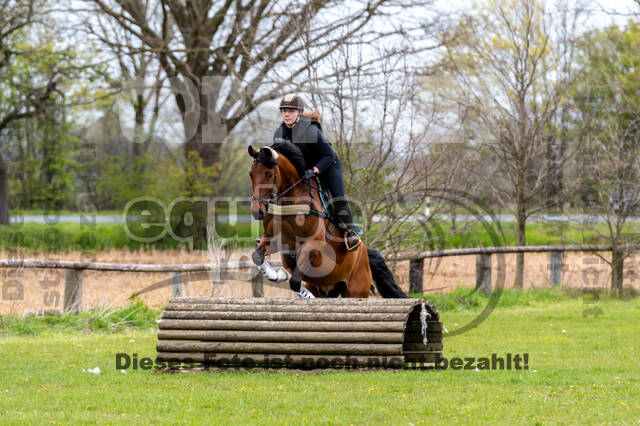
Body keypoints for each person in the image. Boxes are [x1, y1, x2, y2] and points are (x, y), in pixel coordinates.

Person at [273, 93, 361, 251]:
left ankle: (350, 232)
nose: (286, 114)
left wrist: (315, 170)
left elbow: (328, 155)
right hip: (304, 169)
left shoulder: (311, 131)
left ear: (299, 113)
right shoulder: (280, 133)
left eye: (290, 111)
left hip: (327, 165)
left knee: (337, 198)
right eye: (284, 110)